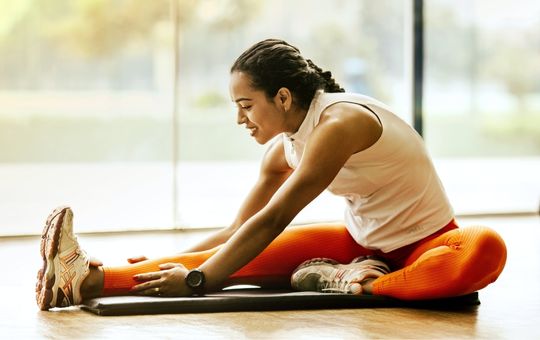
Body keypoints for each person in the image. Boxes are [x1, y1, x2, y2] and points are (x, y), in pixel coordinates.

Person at [35, 39, 507, 310]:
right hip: (360, 245)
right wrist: (172, 261)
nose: (241, 119)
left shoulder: (340, 124)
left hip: (429, 245)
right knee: (227, 255)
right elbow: (238, 232)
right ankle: (79, 280)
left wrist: (201, 281)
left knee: (486, 248)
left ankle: (357, 283)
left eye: (246, 105)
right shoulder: (283, 149)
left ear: (282, 97)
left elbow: (276, 216)